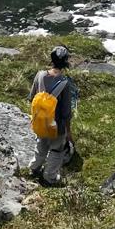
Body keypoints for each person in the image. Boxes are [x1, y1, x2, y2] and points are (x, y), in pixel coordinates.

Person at [29, 45, 76, 186]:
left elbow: (32, 98)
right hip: (57, 126)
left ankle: (34, 168)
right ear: (66, 61)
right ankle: (49, 177)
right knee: (56, 150)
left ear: (52, 59)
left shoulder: (40, 75)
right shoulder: (65, 83)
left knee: (40, 146)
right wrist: (68, 133)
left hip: (40, 122)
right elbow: (66, 112)